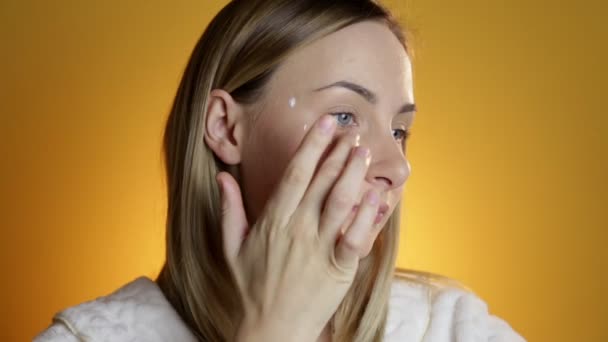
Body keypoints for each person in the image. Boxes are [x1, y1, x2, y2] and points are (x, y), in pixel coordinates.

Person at [35, 0, 526, 341]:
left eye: (399, 131)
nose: (397, 166)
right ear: (226, 128)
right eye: (345, 115)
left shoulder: (450, 328)